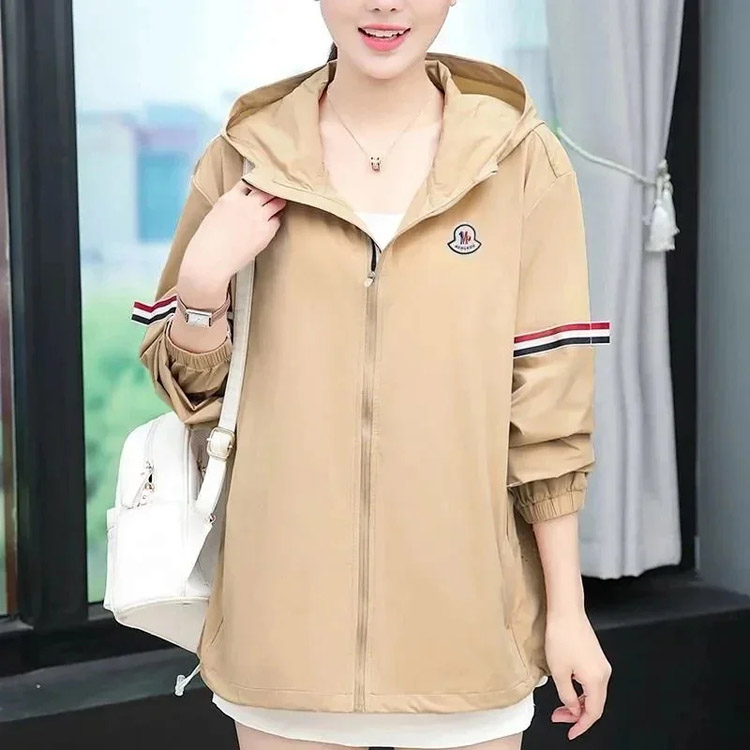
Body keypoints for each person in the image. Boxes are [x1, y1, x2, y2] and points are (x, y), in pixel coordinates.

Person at [137, 1, 613, 748]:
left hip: (466, 638)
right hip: (283, 639)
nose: (386, 5)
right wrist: (200, 286)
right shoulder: (245, 156)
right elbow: (194, 397)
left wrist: (568, 612)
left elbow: (549, 413)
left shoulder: (521, 159)